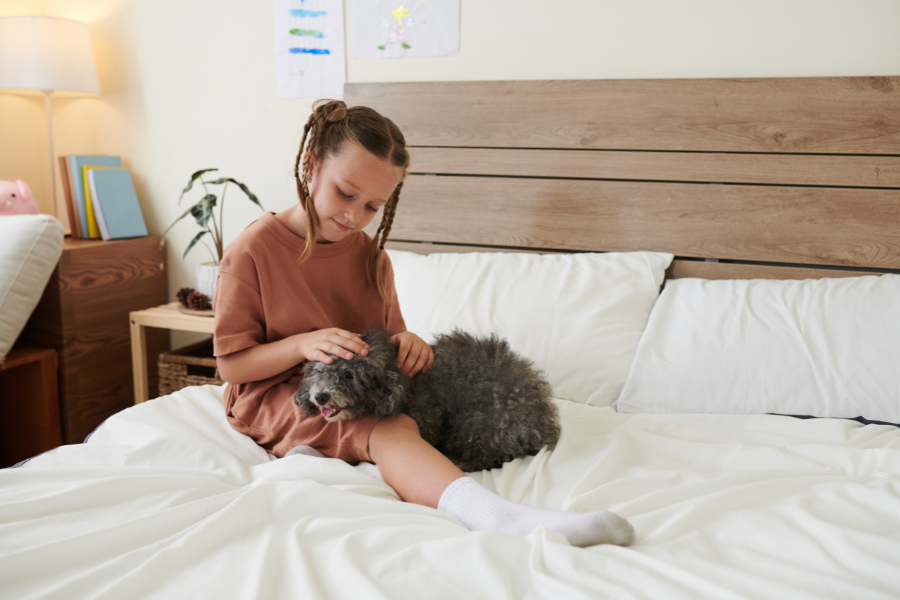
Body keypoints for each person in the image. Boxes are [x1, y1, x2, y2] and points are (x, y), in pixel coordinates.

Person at [213, 99, 634, 548]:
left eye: (374, 206)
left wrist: (407, 343)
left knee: (415, 407)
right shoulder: (253, 250)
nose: (355, 216)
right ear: (311, 165)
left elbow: (387, 342)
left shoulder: (371, 258)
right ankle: (503, 519)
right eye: (345, 193)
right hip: (270, 392)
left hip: (354, 388)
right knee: (387, 429)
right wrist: (302, 345)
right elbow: (232, 368)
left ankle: (321, 457)